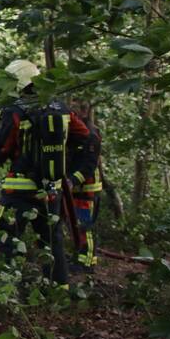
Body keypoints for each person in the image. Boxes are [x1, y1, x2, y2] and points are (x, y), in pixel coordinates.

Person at [0, 59, 92, 288]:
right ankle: (58, 289)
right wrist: (68, 168)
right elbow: (85, 135)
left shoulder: (14, 111)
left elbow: (1, 151)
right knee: (52, 242)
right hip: (50, 190)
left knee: (5, 236)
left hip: (18, 189)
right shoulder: (60, 109)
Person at [68, 102, 102, 272]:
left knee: (85, 226)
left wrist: (72, 180)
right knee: (75, 225)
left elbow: (89, 166)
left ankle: (88, 263)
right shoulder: (73, 133)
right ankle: (79, 258)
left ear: (85, 111)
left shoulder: (92, 134)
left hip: (87, 189)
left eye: (78, 109)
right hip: (73, 189)